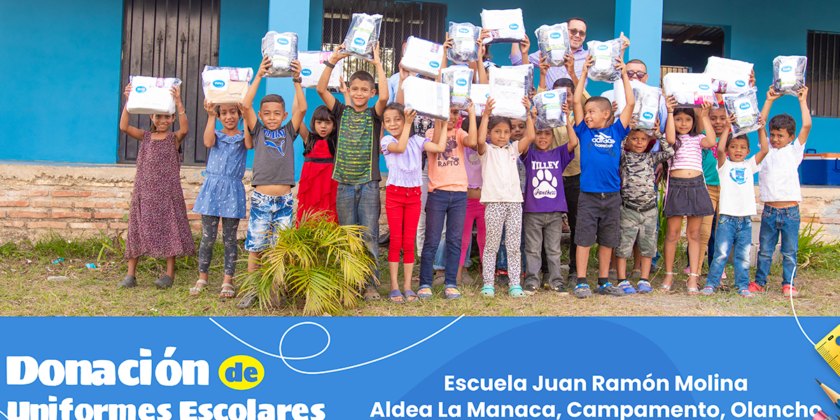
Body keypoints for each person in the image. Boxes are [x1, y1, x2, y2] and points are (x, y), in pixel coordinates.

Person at [317, 42, 389, 301]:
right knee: (348, 236)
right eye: (355, 89)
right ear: (349, 89)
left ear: (371, 93)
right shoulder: (341, 111)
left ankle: (370, 284)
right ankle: (350, 283)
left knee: (369, 235)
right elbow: (321, 89)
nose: (359, 93)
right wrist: (332, 61)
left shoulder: (374, 114)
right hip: (344, 185)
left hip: (369, 184)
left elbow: (385, 98)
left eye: (364, 90)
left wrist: (378, 63)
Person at [117, 82, 195, 289]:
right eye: (158, 116)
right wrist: (129, 101)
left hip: (167, 194)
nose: (163, 120)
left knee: (169, 230)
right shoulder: (146, 137)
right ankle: (130, 275)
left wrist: (178, 102)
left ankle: (169, 275)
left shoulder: (174, 138)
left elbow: (185, 128)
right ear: (152, 117)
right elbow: (124, 127)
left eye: (167, 116)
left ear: (172, 118)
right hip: (144, 193)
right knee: (137, 230)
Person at [570, 53, 634, 298]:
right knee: (584, 239)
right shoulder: (584, 130)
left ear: (606, 114)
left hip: (612, 196)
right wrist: (584, 72)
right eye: (586, 112)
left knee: (608, 239)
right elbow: (576, 102)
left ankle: (604, 281)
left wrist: (624, 73)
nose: (587, 115)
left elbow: (630, 104)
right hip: (588, 195)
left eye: (592, 112)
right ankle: (582, 282)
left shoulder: (618, 129)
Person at [380, 104, 449, 303]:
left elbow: (439, 147)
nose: (393, 123)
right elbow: (400, 148)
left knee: (409, 242)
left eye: (397, 119)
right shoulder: (387, 141)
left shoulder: (417, 141)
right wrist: (408, 123)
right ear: (384, 124)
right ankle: (394, 286)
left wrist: (442, 125)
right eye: (388, 120)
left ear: (405, 119)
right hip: (394, 194)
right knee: (396, 241)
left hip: (414, 196)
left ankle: (408, 286)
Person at [751, 86, 811, 297]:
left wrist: (802, 101)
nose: (775, 139)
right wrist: (768, 101)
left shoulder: (794, 151)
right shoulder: (765, 150)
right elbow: (759, 123)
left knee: (789, 252)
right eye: (773, 134)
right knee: (765, 251)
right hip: (769, 211)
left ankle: (789, 284)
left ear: (790, 137)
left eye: (780, 136)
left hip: (790, 213)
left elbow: (807, 125)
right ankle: (760, 282)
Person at [190, 100, 253, 298]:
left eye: (233, 112)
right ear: (218, 117)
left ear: (239, 114)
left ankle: (227, 281)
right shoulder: (215, 135)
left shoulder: (244, 136)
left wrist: (246, 116)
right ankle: (202, 278)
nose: (229, 117)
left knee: (229, 239)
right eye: (223, 113)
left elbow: (250, 145)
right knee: (207, 238)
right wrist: (209, 115)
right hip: (212, 188)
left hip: (233, 188)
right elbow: (207, 142)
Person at [702, 113, 769, 297]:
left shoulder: (749, 165)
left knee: (743, 256)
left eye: (742, 148)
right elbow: (720, 149)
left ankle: (742, 286)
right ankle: (711, 284)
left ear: (748, 151)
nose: (737, 150)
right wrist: (727, 127)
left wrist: (762, 128)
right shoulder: (724, 166)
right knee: (721, 254)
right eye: (734, 147)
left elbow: (764, 150)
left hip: (746, 220)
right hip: (726, 219)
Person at [475, 97, 535, 298]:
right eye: (497, 131)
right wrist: (485, 116)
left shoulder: (513, 150)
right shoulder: (486, 152)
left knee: (513, 246)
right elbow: (479, 140)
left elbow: (530, 137)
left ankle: (515, 284)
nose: (502, 136)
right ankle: (488, 284)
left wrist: (528, 114)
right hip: (493, 204)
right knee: (491, 245)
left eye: (506, 132)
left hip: (514, 204)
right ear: (490, 133)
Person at [418, 103, 477, 299]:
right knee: (432, 240)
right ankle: (425, 283)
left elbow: (473, 142)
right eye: (448, 112)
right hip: (438, 194)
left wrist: (472, 113)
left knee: (455, 240)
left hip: (459, 194)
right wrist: (440, 120)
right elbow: (438, 144)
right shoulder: (430, 132)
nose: (451, 117)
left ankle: (451, 282)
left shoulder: (460, 133)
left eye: (454, 113)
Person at [661, 99, 717, 294]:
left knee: (694, 235)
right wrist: (669, 112)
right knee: (672, 234)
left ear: (693, 122)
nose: (683, 123)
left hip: (697, 186)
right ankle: (668, 275)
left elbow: (712, 141)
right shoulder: (671, 139)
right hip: (676, 187)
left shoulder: (698, 139)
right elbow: (669, 138)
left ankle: (693, 278)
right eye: (678, 119)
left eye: (687, 120)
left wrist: (704, 116)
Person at [521, 103, 577, 294]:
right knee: (532, 249)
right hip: (533, 211)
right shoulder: (529, 155)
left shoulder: (559, 153)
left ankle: (556, 281)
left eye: (547, 134)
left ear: (553, 136)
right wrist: (533, 119)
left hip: (554, 211)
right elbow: (526, 139)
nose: (542, 137)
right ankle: (531, 281)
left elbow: (574, 142)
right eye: (538, 133)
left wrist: (567, 118)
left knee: (554, 250)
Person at [615, 123, 674, 294]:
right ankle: (622, 279)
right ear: (628, 141)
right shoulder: (624, 156)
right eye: (634, 139)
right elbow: (616, 148)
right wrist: (626, 132)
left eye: (643, 139)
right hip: (628, 209)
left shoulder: (651, 157)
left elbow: (670, 152)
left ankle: (644, 279)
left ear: (649, 141)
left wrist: (658, 134)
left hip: (649, 210)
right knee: (623, 246)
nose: (639, 142)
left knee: (648, 246)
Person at [510, 18, 589, 90]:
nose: (577, 35)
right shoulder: (548, 51)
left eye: (581, 33)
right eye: (573, 31)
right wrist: (515, 37)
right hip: (550, 103)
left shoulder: (588, 56)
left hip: (575, 105)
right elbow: (519, 64)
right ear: (564, 32)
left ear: (584, 36)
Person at [296, 106, 339, 223]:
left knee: (330, 215)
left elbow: (348, 120)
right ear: (313, 123)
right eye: (319, 122)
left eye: (328, 122)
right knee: (309, 215)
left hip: (330, 187)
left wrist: (346, 95)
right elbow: (296, 112)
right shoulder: (308, 139)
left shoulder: (337, 141)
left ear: (334, 124)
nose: (323, 126)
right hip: (310, 188)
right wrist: (297, 87)